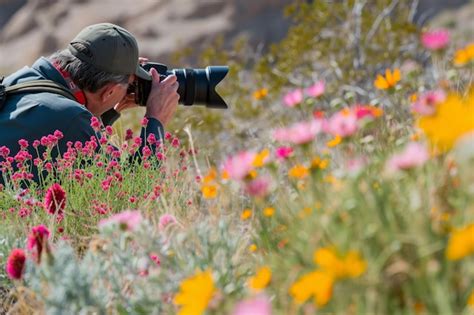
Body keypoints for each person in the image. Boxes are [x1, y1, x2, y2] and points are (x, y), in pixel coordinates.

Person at [0, 23, 179, 185]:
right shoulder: (68, 118)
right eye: (128, 86)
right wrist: (156, 119)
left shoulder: (21, 81)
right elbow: (132, 191)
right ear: (108, 92)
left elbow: (69, 150)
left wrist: (108, 111)